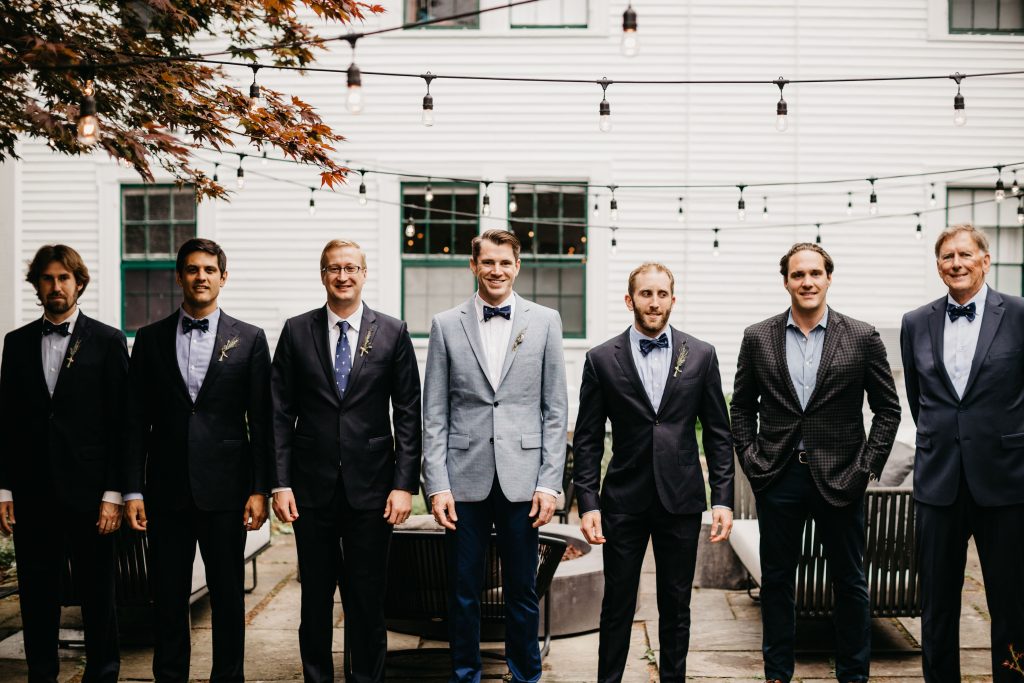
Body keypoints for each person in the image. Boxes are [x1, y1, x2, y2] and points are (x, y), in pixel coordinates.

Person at [731, 242, 901, 683]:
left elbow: (888, 410)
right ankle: (777, 674)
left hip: (841, 479)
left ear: (828, 277)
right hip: (778, 476)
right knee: (778, 584)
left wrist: (865, 469)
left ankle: (853, 675)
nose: (807, 282)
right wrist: (753, 461)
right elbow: (742, 408)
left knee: (849, 583)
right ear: (785, 280)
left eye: (815, 273)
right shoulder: (758, 337)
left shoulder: (861, 336)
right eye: (797, 274)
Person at [572, 262, 734, 683]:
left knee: (677, 604)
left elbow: (718, 433)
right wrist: (587, 502)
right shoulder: (601, 359)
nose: (654, 302)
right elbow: (588, 438)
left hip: (680, 499)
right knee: (618, 603)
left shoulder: (701, 354)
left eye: (662, 294)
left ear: (673, 300)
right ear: (630, 300)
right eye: (646, 294)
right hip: (623, 500)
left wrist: (722, 498)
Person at [270, 239, 421, 683]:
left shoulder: (392, 331)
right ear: (323, 275)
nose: (343, 276)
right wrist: (280, 482)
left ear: (364, 274)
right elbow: (279, 412)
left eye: (351, 268)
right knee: (314, 598)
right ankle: (317, 678)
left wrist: (403, 484)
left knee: (367, 600)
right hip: (310, 489)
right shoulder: (297, 331)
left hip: (373, 490)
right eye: (334, 268)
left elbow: (408, 411)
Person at [422, 229, 568, 683]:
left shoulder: (546, 321)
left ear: (517, 266)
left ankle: (526, 675)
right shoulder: (446, 324)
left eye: (505, 263)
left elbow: (555, 409)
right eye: (488, 262)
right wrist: (437, 484)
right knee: (464, 590)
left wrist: (549, 482)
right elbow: (435, 412)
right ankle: (466, 675)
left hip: (523, 478)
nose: (497, 271)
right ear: (473, 265)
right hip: (463, 478)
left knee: (522, 590)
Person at [123, 238, 271, 683]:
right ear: (180, 276)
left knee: (228, 596)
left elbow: (262, 422)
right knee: (167, 597)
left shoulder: (249, 339)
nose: (201, 276)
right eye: (192, 269)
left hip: (226, 490)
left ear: (223, 277)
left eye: (209, 269)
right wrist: (132, 488)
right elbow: (133, 422)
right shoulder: (148, 340)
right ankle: (170, 676)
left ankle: (228, 677)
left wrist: (260, 489)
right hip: (165, 490)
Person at [900, 223, 1024, 683]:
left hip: (1005, 480)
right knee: (936, 605)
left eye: (965, 255)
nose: (956, 263)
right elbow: (920, 399)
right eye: (947, 257)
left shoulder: (1018, 314)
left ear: (985, 261)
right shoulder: (916, 322)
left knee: (1011, 602)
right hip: (939, 483)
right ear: (938, 266)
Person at [0, 244, 126, 683]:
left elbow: (121, 424)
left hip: (92, 495)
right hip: (34, 493)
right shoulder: (14, 345)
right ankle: (42, 674)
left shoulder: (108, 341)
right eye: (48, 278)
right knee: (36, 595)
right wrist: (5, 489)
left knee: (98, 595)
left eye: (64, 278)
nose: (56, 286)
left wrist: (114, 493)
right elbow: (8, 422)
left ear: (79, 283)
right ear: (37, 285)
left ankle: (104, 673)